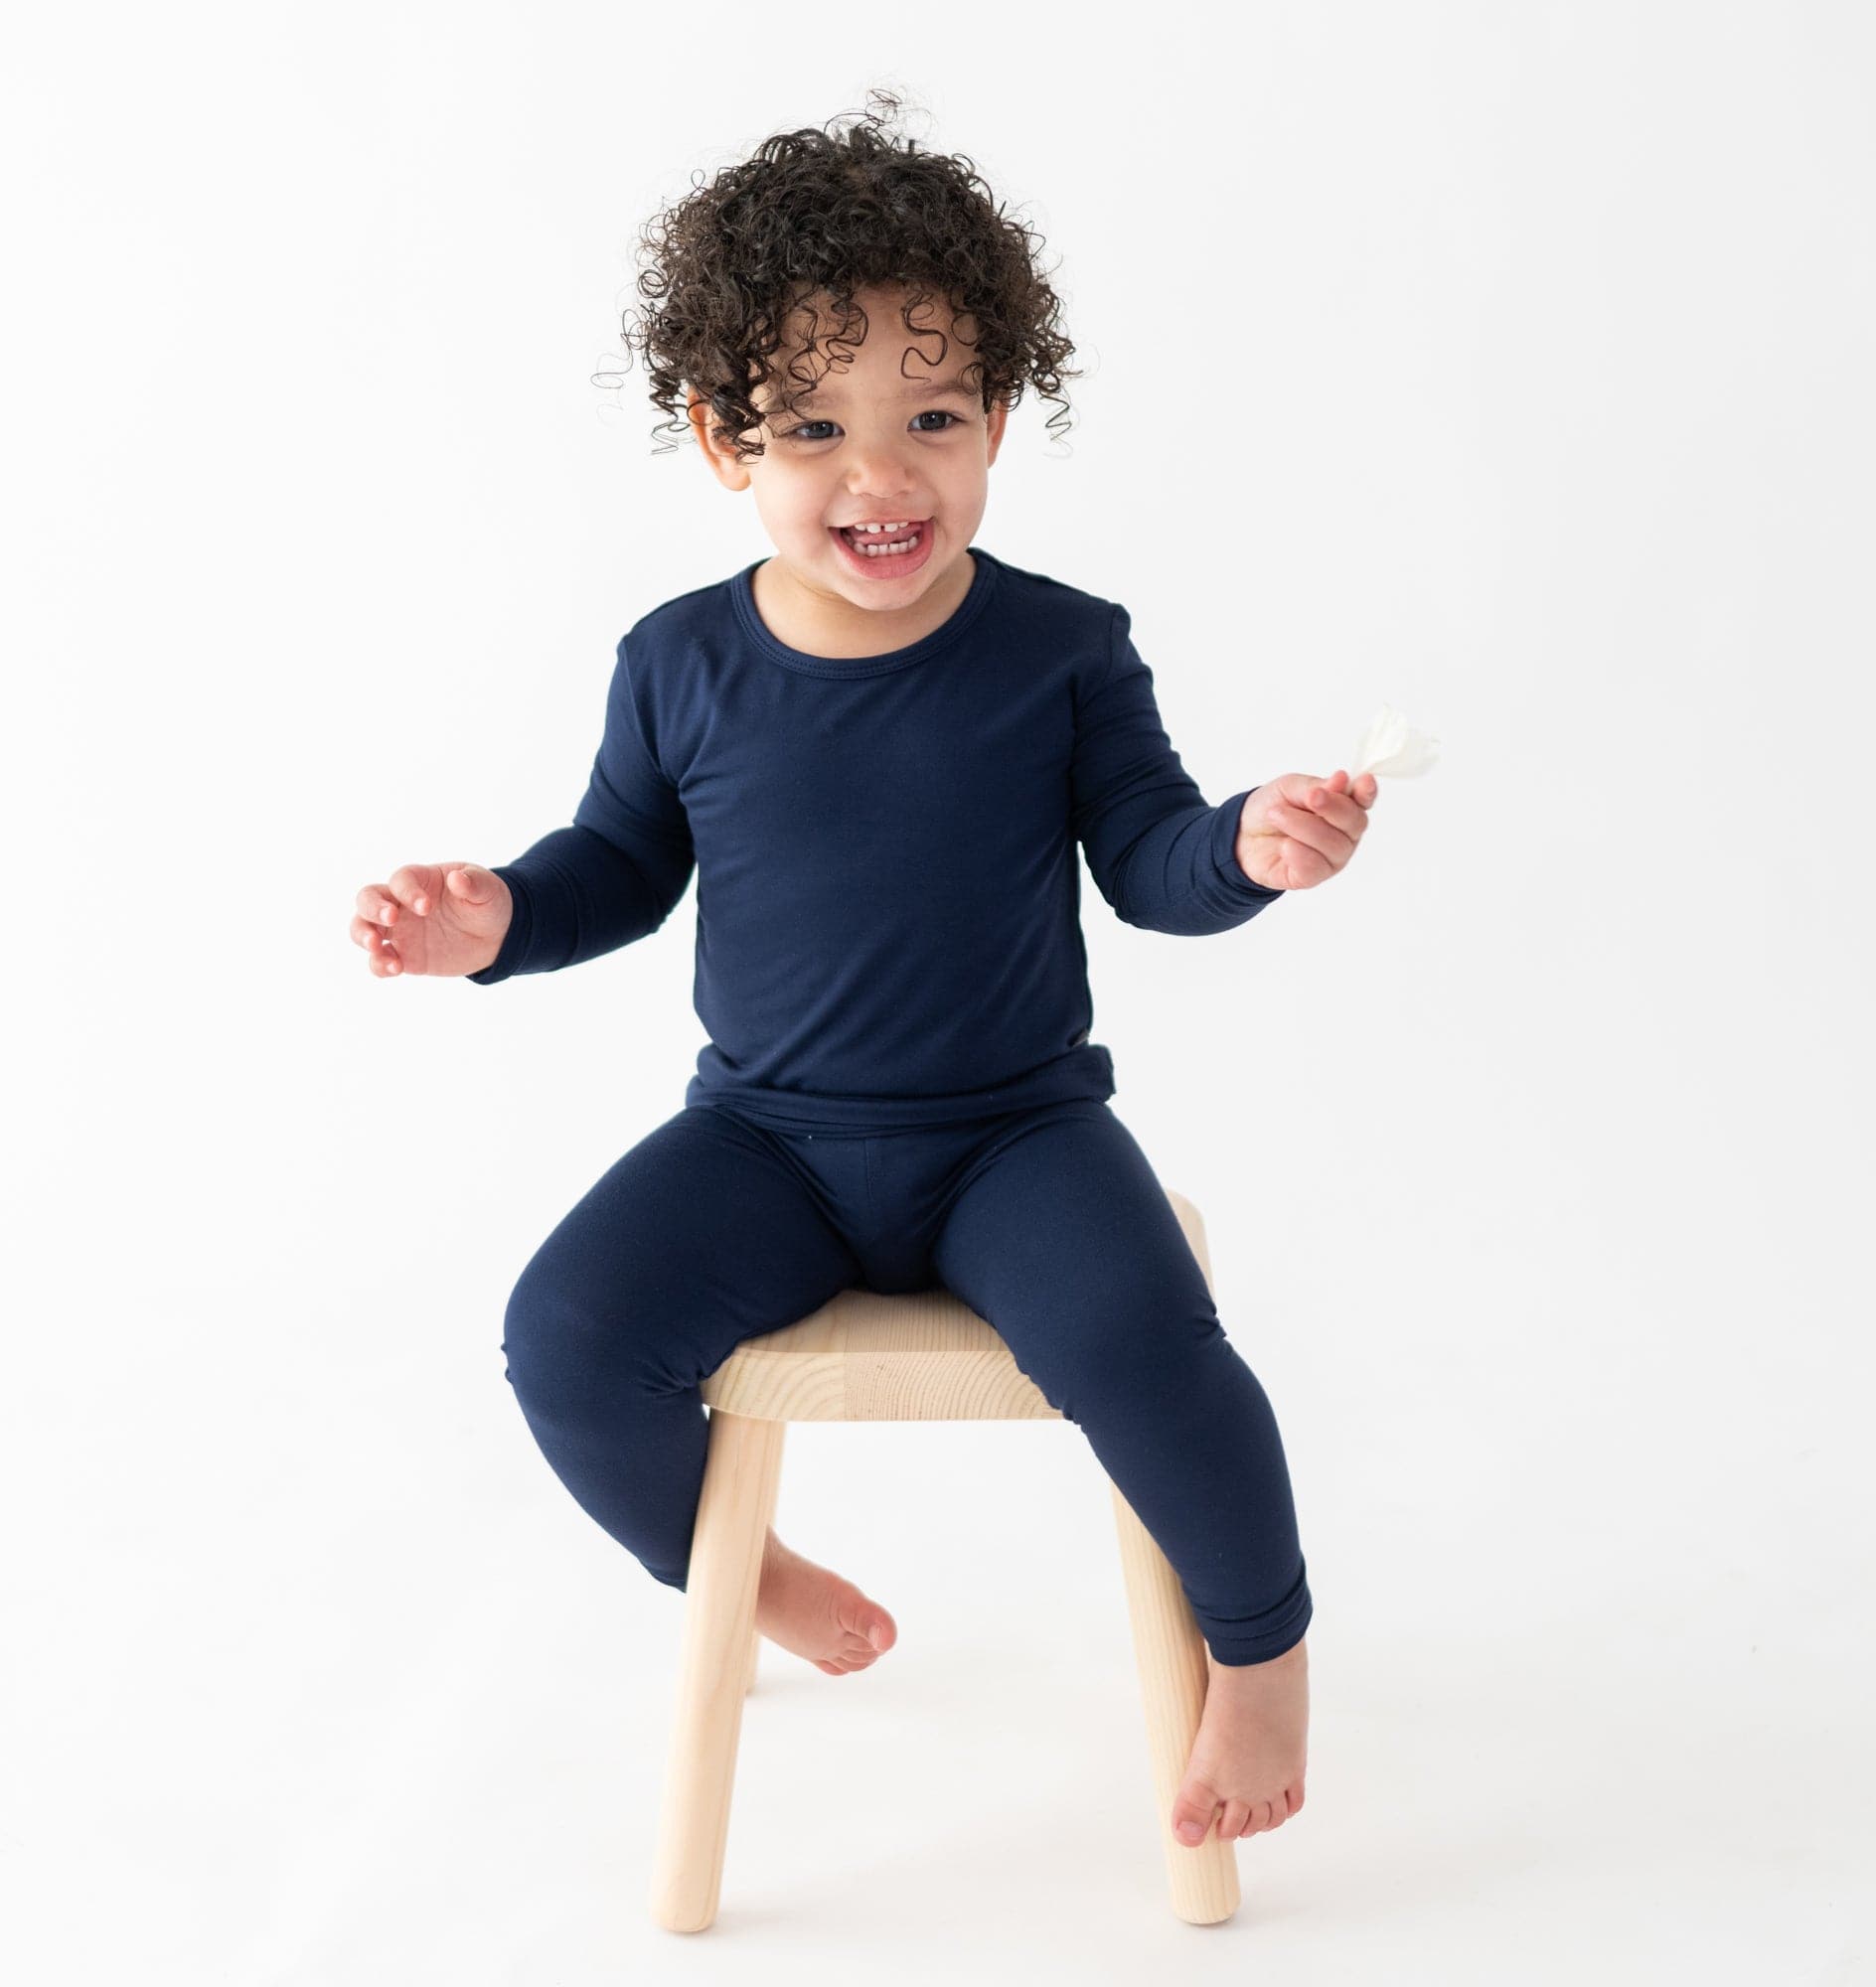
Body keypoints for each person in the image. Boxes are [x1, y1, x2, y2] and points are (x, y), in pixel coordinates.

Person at [349, 91, 1377, 1850]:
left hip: (1014, 1139)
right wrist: (497, 924)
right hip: (768, 1146)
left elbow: (1147, 860)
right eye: (812, 427)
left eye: (934, 417)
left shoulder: (1063, 649)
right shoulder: (677, 663)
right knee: (565, 1341)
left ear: (998, 426)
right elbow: (616, 868)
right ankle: (745, 1576)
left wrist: (1247, 848)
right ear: (718, 440)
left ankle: (1264, 1650)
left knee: (1153, 1349)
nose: (879, 474)